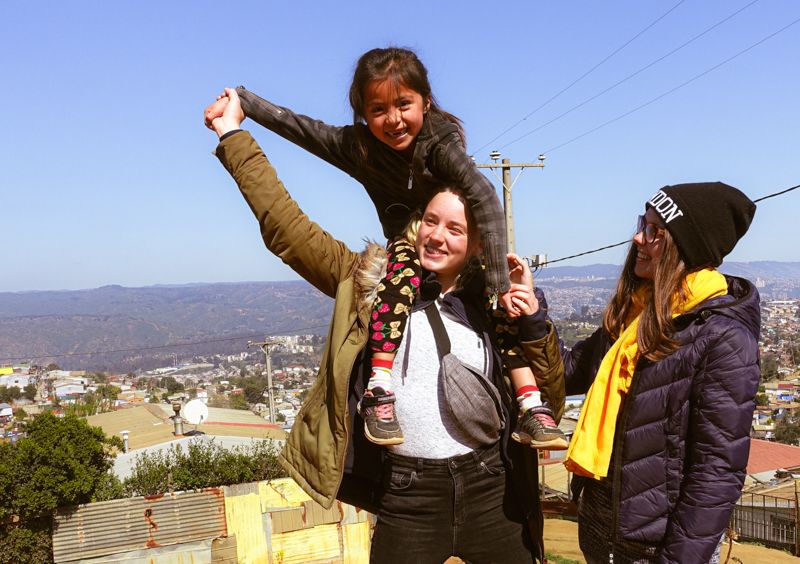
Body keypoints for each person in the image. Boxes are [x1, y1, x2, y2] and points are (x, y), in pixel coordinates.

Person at [207, 89, 565, 563]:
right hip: (407, 493)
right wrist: (233, 134)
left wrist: (533, 321)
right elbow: (285, 226)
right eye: (430, 221)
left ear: (479, 244)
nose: (436, 235)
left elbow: (551, 393)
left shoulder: (495, 304)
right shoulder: (367, 282)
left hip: (493, 489)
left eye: (455, 229)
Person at [204, 47, 566, 451]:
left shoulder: (442, 147)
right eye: (378, 109)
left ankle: (531, 407)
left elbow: (484, 198)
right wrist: (241, 107)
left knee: (503, 313)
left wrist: (503, 287)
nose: (393, 119)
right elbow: (301, 130)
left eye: (404, 104)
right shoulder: (360, 155)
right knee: (402, 271)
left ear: (426, 103)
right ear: (362, 113)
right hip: (401, 253)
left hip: (492, 491)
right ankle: (380, 390)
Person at [560, 182, 760, 563]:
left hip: (658, 546)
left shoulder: (722, 337)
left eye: (654, 230)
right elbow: (569, 371)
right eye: (642, 223)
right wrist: (531, 315)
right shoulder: (634, 312)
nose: (638, 237)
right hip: (601, 529)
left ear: (685, 249)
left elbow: (716, 470)